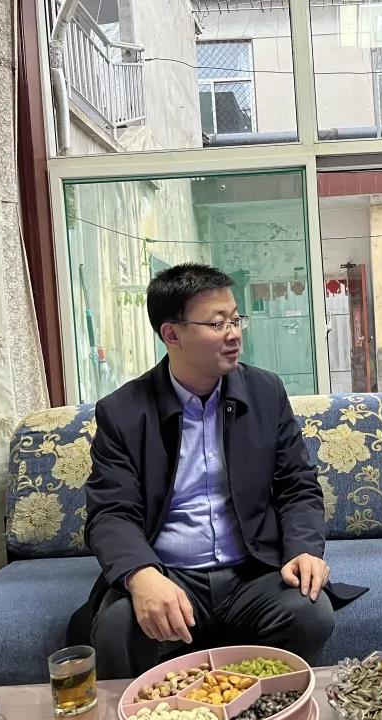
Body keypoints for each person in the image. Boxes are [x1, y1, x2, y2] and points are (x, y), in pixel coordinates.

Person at [76, 263, 336, 678]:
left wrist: (303, 550)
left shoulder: (265, 392)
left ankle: (258, 708)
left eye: (235, 319)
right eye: (217, 324)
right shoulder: (123, 412)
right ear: (172, 334)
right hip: (169, 574)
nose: (234, 334)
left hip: (252, 572)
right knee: (117, 628)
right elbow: (111, 512)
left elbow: (297, 486)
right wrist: (141, 576)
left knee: (309, 613)